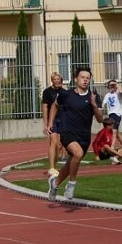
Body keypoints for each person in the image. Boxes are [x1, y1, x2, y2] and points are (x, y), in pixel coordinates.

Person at [45, 67, 104, 201]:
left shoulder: (93, 96)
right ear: (76, 79)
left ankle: (54, 184)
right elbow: (54, 106)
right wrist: (50, 123)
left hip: (84, 136)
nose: (85, 80)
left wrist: (94, 105)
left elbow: (100, 119)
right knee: (77, 154)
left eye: (88, 78)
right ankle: (71, 185)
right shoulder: (66, 95)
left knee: (70, 164)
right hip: (67, 133)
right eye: (82, 77)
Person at [41, 72, 66, 179]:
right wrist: (46, 124)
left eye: (58, 79)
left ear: (61, 80)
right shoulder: (47, 92)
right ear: (52, 80)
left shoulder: (64, 92)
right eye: (55, 79)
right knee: (54, 142)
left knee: (60, 145)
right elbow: (45, 107)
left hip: (63, 119)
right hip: (53, 120)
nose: (57, 81)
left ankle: (54, 167)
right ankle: (51, 168)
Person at [103, 79, 122, 154]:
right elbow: (103, 103)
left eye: (113, 85)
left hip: (117, 114)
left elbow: (121, 92)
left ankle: (112, 148)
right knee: (116, 132)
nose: (112, 87)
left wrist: (116, 85)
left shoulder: (118, 93)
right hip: (111, 115)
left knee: (114, 131)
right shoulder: (107, 95)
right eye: (110, 85)